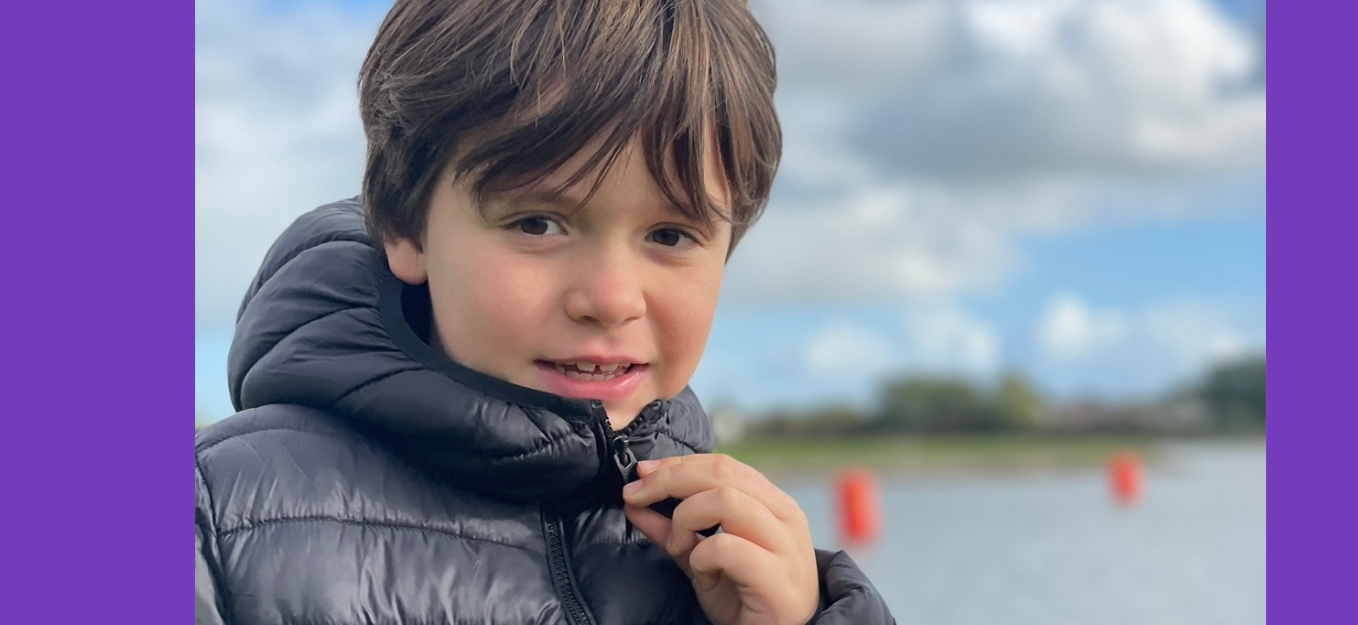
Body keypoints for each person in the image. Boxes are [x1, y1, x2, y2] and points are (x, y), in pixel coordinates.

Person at [194, 1, 896, 624]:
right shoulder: (212, 520)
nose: (611, 300)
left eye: (669, 235)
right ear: (406, 226)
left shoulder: (727, 552)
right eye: (537, 223)